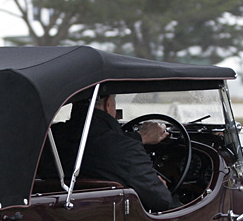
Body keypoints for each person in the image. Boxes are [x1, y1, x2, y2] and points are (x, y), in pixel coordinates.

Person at [50, 90, 181, 212]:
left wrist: (140, 137)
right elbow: (161, 201)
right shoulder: (126, 149)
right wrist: (161, 187)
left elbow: (97, 142)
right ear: (108, 104)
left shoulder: (52, 138)